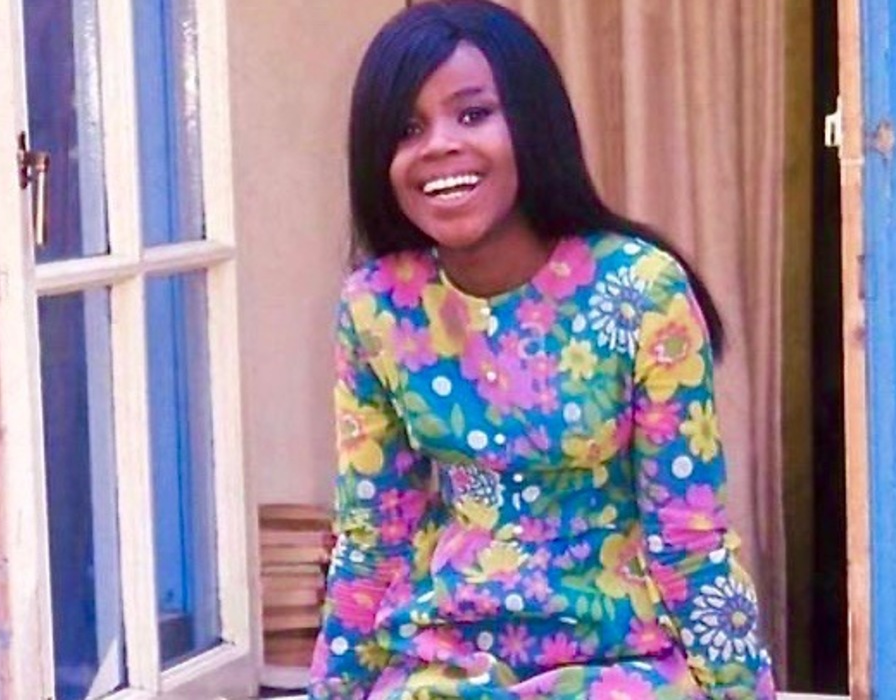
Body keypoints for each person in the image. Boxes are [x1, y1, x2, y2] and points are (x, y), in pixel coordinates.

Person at [308, 1, 776, 698]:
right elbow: (375, 536)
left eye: (473, 114)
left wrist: (738, 689)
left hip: (622, 662)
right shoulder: (376, 306)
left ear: (533, 122)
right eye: (407, 128)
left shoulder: (640, 290)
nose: (439, 145)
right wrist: (333, 691)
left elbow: (689, 539)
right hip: (447, 662)